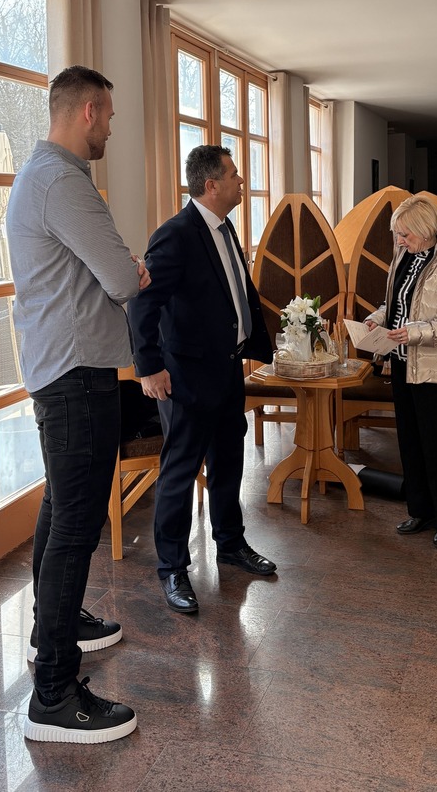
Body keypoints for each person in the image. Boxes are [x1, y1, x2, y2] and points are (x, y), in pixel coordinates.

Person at [8, 65, 150, 743]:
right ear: (88, 110)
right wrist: (129, 270)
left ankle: (51, 630)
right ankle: (55, 695)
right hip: (75, 373)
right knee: (75, 527)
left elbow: (102, 272)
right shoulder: (63, 181)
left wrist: (121, 269)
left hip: (63, 367)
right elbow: (121, 276)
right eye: (110, 116)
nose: (111, 129)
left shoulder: (42, 175)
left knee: (61, 510)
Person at [128, 144, 275, 614]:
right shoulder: (175, 235)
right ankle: (172, 568)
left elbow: (232, 293)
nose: (241, 181)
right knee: (180, 472)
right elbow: (142, 305)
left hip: (227, 369)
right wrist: (148, 367)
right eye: (234, 175)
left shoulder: (225, 227)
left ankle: (230, 543)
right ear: (211, 185)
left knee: (229, 462)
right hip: (186, 378)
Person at [365, 196, 437, 549]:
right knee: (410, 442)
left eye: (405, 234)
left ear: (426, 230)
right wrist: (377, 318)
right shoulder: (404, 255)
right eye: (397, 234)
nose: (399, 241)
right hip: (402, 363)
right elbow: (397, 304)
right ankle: (420, 511)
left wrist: (415, 332)